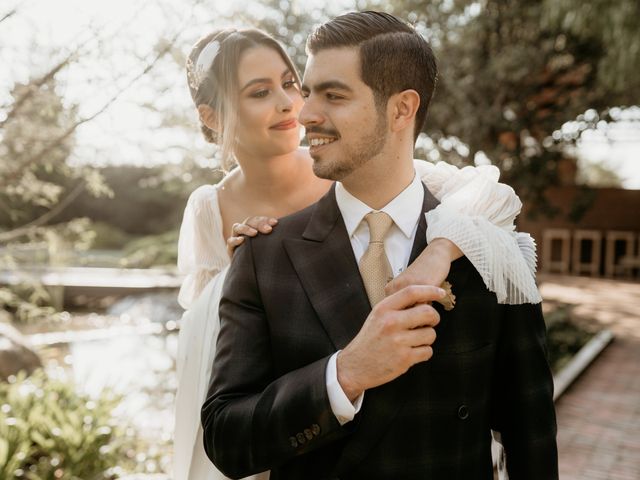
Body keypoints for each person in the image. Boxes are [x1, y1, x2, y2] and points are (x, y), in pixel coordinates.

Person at [175, 22, 544, 480]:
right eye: (307, 91)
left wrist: (442, 249)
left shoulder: (486, 244)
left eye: (332, 95)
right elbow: (226, 440)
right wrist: (345, 374)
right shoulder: (260, 253)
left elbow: (530, 434)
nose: (301, 111)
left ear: (402, 109)